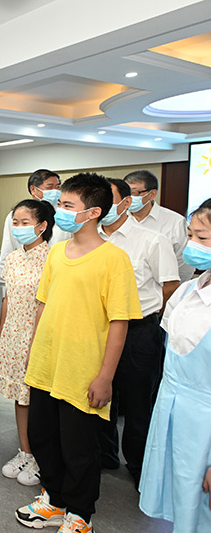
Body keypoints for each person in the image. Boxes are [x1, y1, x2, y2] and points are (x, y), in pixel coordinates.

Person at [15, 173, 141, 533]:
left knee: (79, 448)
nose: (60, 211)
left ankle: (80, 514)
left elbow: (119, 322)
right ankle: (54, 500)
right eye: (60, 204)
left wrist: (105, 377)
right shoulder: (57, 251)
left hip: (82, 370)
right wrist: (33, 350)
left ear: (93, 212)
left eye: (68, 205)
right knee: (43, 437)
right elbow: (43, 304)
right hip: (46, 364)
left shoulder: (114, 259)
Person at [97, 178, 180, 486]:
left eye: (108, 198)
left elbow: (169, 285)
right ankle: (105, 454)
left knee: (137, 404)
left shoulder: (151, 240)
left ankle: (140, 467)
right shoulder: (90, 238)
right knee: (101, 396)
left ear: (125, 203)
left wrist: (149, 316)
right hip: (99, 329)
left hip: (138, 331)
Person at [140, 198, 211, 533]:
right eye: (190, 236)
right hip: (172, 412)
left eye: (202, 237)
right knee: (181, 501)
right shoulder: (185, 293)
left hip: (204, 425)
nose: (191, 245)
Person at [0, 199, 55, 486]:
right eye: (15, 222)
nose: (18, 227)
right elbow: (7, 299)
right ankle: (25, 452)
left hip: (39, 336)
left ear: (42, 226)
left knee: (40, 400)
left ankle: (44, 457)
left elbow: (49, 305)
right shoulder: (13, 258)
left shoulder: (53, 258)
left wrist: (37, 344)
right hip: (13, 335)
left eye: (25, 222)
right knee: (20, 396)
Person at [0, 169, 71, 291]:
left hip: (56, 278)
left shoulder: (65, 217)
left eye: (58, 187)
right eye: (49, 187)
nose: (55, 191)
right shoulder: (16, 215)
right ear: (33, 189)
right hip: (22, 279)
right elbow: (7, 249)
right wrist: (4, 287)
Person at [124, 170, 192, 282]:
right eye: (126, 193)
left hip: (161, 289)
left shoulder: (175, 221)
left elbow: (184, 263)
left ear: (152, 194)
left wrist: (174, 289)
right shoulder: (119, 220)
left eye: (134, 193)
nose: (129, 198)